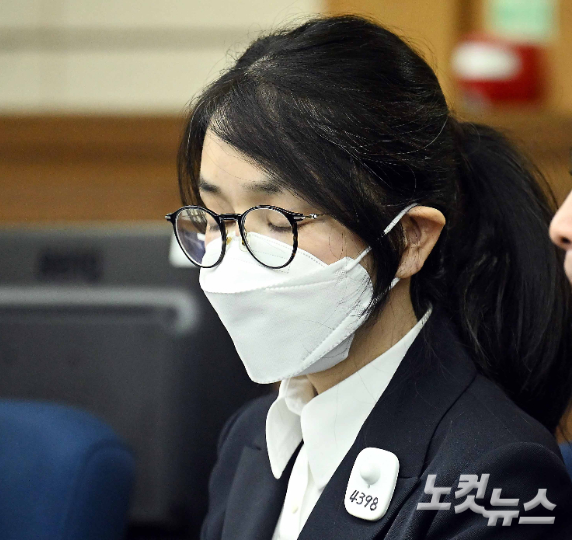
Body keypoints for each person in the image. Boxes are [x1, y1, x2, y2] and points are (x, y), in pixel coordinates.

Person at [165, 15, 572, 539]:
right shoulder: (251, 437)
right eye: (216, 216)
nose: (235, 254)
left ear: (409, 239)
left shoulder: (497, 474)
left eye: (276, 220)